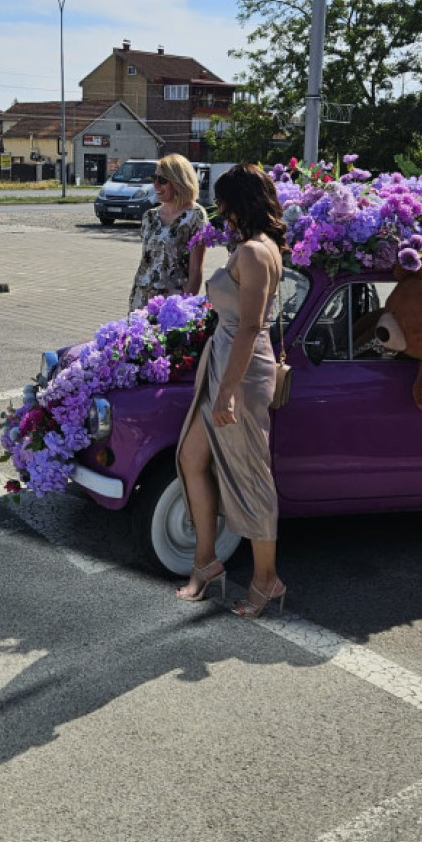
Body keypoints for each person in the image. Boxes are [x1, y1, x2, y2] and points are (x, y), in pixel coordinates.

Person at [174, 163, 286, 618]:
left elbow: (252, 327)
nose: (218, 211)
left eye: (223, 202)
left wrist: (228, 392)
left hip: (238, 370)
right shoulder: (250, 248)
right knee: (191, 458)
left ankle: (267, 580)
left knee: (250, 474)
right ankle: (206, 562)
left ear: (238, 203)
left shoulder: (257, 253)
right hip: (223, 361)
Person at [128, 154, 207, 311]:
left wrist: (184, 307)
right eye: (154, 178)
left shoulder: (195, 216)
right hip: (142, 299)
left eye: (162, 180)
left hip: (173, 303)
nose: (156, 185)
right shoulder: (149, 217)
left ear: (179, 181)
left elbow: (195, 270)